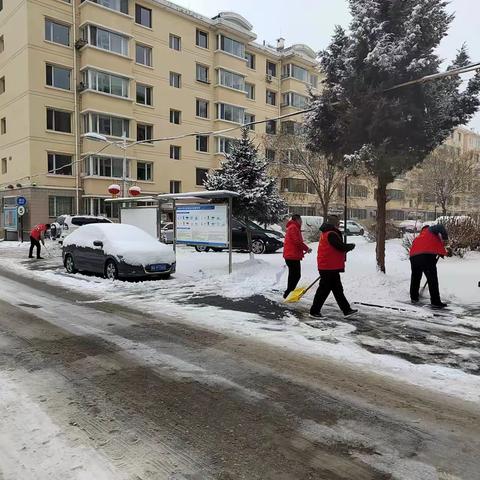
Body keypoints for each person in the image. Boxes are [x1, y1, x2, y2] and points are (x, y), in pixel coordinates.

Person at [310, 215, 357, 318]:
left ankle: (346, 310)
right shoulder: (331, 234)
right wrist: (350, 246)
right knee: (323, 290)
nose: (339, 224)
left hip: (330, 266)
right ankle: (314, 311)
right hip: (328, 267)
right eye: (338, 222)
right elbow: (340, 247)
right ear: (334, 223)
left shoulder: (328, 232)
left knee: (337, 289)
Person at [409, 224, 449, 308]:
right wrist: (445, 239)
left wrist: (438, 252)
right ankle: (435, 301)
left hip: (414, 257)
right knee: (432, 279)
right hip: (426, 256)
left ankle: (414, 298)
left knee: (415, 278)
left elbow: (425, 245)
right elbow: (440, 227)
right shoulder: (430, 230)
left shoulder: (419, 237)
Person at [283, 214, 312, 299]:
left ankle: (289, 292)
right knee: (295, 275)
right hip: (291, 256)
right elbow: (297, 242)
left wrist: (305, 249)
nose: (302, 222)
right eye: (301, 220)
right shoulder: (293, 227)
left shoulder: (293, 227)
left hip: (292, 255)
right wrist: (306, 248)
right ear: (297, 220)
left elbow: (296, 242)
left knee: (293, 275)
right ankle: (289, 292)